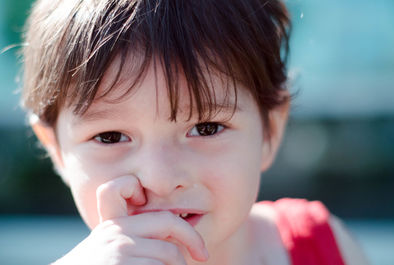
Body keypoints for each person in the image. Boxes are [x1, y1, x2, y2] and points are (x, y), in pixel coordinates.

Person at [21, 0, 370, 264]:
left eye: (206, 128)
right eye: (110, 136)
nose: (159, 179)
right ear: (56, 150)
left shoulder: (322, 247)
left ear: (270, 131)